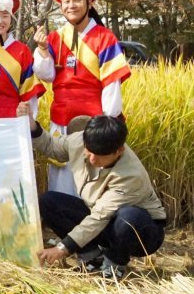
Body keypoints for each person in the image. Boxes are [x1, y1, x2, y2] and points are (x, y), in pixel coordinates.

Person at [22, 105, 166, 280]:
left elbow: (100, 217)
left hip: (141, 234)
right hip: (103, 220)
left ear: (119, 151)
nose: (91, 159)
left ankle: (115, 265)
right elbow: (51, 146)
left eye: (98, 156)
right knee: (48, 201)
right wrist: (31, 125)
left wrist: (62, 248)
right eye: (88, 153)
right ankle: (93, 259)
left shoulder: (130, 175)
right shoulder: (79, 142)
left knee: (128, 217)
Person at [33, 0, 132, 195]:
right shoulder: (55, 37)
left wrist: (109, 119)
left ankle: (92, 222)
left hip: (94, 119)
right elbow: (46, 75)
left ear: (89, 2)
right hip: (61, 116)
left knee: (93, 174)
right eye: (66, 1)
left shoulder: (104, 37)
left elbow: (111, 83)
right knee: (62, 173)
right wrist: (41, 50)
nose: (71, 5)